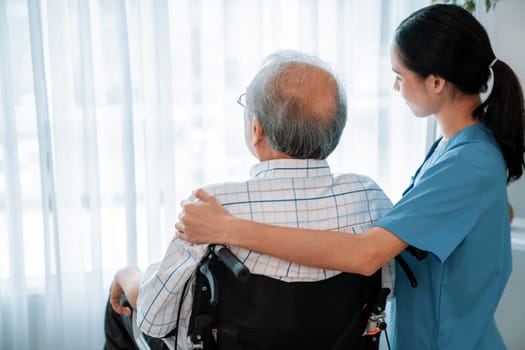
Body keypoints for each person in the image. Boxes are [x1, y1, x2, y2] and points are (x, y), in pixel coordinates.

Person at [176, 4, 525, 350]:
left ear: (435, 82)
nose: (395, 87)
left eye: (400, 76)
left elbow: (366, 255)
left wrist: (228, 228)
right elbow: (492, 212)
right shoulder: (461, 146)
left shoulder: (468, 162)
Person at [104, 49, 395, 350]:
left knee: (122, 305)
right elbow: (387, 290)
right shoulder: (368, 197)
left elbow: (154, 318)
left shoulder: (215, 206)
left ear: (256, 129)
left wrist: (126, 275)